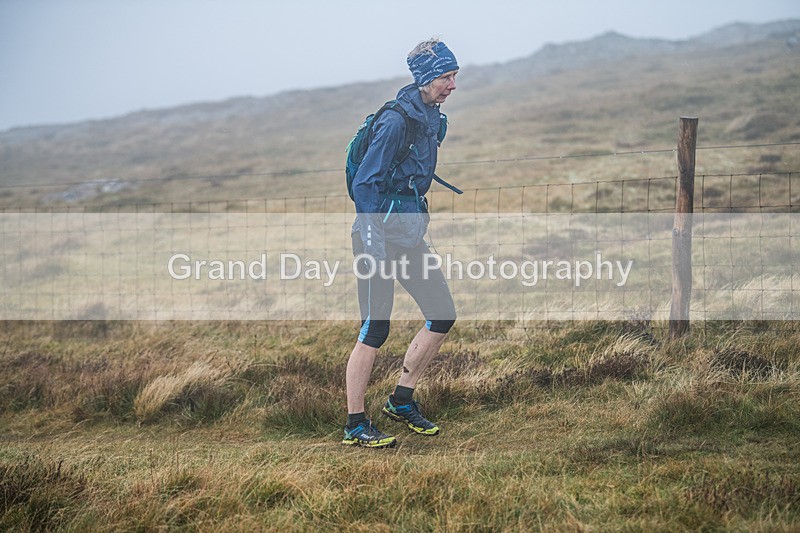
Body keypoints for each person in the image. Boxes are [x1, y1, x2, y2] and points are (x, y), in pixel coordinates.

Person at [342, 38, 459, 448]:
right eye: (446, 76)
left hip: (407, 235)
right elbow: (365, 183)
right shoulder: (396, 121)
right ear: (427, 78)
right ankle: (355, 425)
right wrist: (374, 242)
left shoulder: (432, 118)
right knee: (375, 328)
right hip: (376, 237)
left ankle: (400, 401)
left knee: (442, 314)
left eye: (454, 76)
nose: (453, 84)